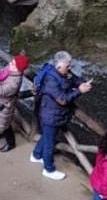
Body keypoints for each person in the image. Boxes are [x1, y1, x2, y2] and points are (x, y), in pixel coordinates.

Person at [33, 50, 93, 180]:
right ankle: (48, 169)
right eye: (68, 66)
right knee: (49, 144)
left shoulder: (64, 72)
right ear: (58, 66)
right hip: (51, 114)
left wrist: (82, 84)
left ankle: (36, 155)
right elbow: (62, 99)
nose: (70, 68)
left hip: (54, 113)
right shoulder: (51, 79)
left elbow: (74, 79)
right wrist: (79, 91)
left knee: (47, 136)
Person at [0, 53, 30, 152]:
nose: (10, 64)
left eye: (13, 64)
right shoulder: (9, 71)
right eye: (12, 62)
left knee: (5, 126)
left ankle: (10, 143)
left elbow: (0, 91)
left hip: (4, 106)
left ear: (19, 69)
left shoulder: (15, 81)